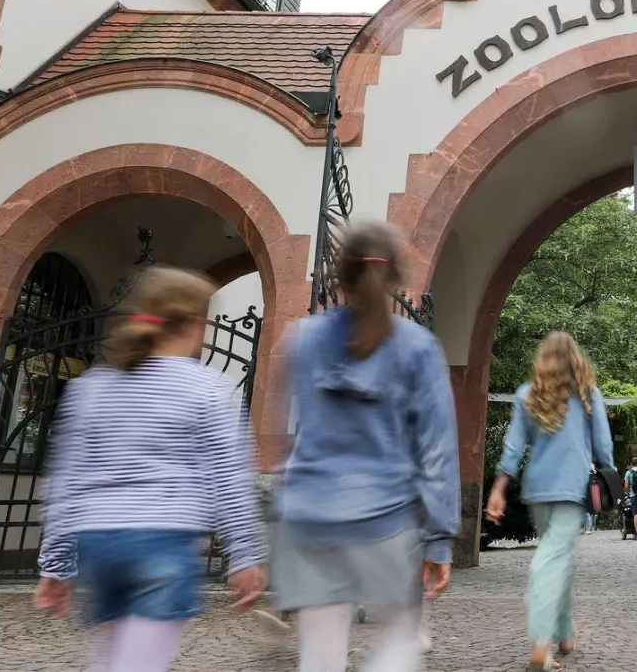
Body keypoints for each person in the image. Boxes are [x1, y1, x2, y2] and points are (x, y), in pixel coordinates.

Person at [34, 267, 266, 672]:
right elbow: (229, 480)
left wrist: (55, 565)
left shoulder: (91, 387)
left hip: (100, 544)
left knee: (110, 659)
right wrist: (243, 556)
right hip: (164, 542)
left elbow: (65, 482)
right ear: (197, 325)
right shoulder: (209, 389)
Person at [271, 221, 459, 672]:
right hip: (384, 520)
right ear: (396, 278)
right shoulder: (417, 348)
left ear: (340, 277)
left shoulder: (303, 339)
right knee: (399, 640)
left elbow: (286, 434)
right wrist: (439, 540)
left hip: (309, 517)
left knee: (319, 656)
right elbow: (437, 452)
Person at [486, 331, 615, 672]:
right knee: (550, 561)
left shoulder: (527, 395)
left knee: (556, 557)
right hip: (572, 490)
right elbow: (603, 448)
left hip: (538, 490)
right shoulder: (589, 395)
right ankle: (541, 646)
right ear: (576, 359)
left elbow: (514, 448)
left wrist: (499, 488)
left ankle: (564, 630)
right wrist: (610, 474)